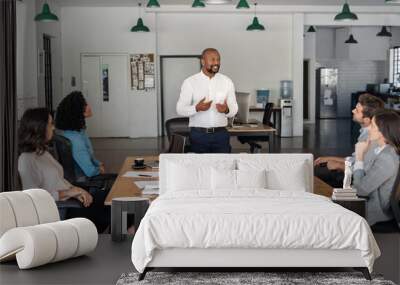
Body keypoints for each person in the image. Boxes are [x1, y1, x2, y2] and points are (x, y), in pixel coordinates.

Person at [18, 108, 110, 232]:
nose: (54, 128)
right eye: (50, 124)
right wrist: (69, 193)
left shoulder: (42, 152)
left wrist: (77, 191)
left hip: (71, 200)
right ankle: (129, 233)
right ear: (39, 128)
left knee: (113, 197)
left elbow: (59, 180)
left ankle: (129, 232)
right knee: (115, 208)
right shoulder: (26, 160)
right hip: (62, 211)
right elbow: (34, 198)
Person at [314, 93, 384, 187]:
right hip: (354, 176)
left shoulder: (373, 140)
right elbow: (354, 160)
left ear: (367, 120)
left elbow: (365, 172)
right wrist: (328, 158)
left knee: (317, 180)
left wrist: (339, 166)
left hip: (360, 185)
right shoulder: (365, 132)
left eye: (357, 110)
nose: (353, 110)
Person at [176, 48, 238, 153]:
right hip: (199, 136)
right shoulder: (190, 82)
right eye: (212, 59)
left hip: (221, 135)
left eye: (218, 60)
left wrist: (227, 110)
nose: (216, 63)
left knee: (223, 167)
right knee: (200, 168)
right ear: (203, 61)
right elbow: (180, 109)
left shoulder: (227, 81)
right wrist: (196, 108)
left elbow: (234, 108)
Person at [353, 109, 400, 226]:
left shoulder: (387, 158)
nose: (369, 129)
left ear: (383, 132)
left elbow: (360, 190)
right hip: (368, 201)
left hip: (373, 211)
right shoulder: (381, 149)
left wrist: (359, 157)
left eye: (373, 126)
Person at [55, 91, 109, 180]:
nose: (89, 106)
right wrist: (100, 170)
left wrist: (97, 163)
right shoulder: (76, 140)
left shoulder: (76, 132)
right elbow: (90, 172)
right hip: (85, 181)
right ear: (77, 111)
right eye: (85, 104)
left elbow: (88, 155)